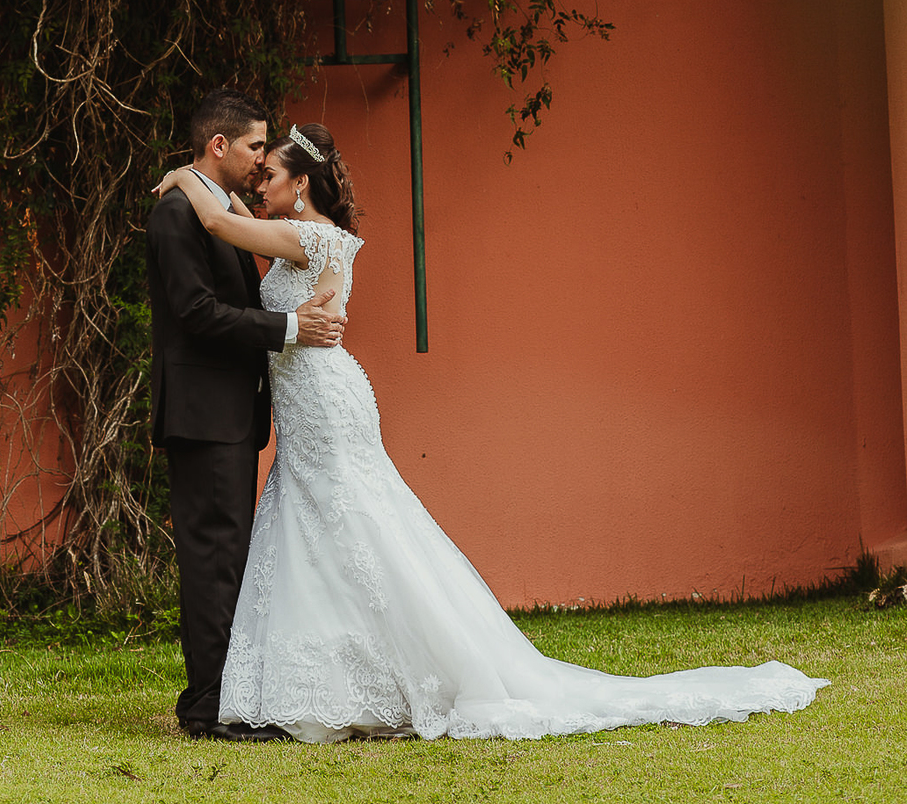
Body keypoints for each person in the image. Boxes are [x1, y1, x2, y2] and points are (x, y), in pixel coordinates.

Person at [155, 120, 829, 744]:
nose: (258, 186)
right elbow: (238, 217)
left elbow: (218, 218)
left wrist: (184, 175)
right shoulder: (307, 232)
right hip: (312, 399)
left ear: (300, 183)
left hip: (325, 403)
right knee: (335, 531)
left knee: (355, 527)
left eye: (269, 175)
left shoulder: (311, 238)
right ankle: (334, 681)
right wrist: (216, 184)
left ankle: (387, 677)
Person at [144, 88, 345, 743]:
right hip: (203, 417)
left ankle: (228, 698)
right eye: (256, 145)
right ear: (219, 145)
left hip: (226, 414)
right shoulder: (177, 213)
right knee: (213, 560)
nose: (263, 160)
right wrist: (290, 327)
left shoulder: (210, 207)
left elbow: (233, 235)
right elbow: (197, 314)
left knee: (226, 556)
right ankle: (208, 708)